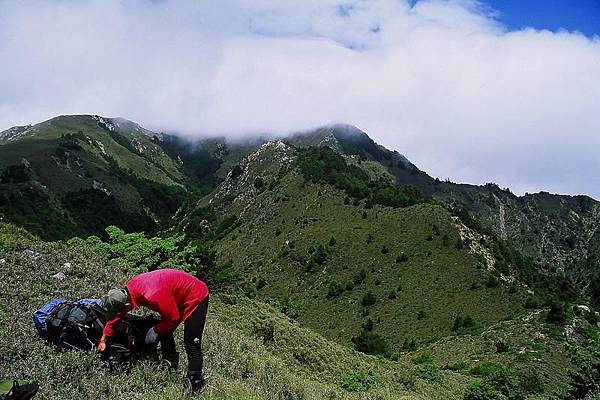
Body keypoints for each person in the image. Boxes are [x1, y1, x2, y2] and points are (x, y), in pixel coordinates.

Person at [97, 269, 209, 392]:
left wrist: (155, 331)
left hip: (196, 294)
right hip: (175, 294)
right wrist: (104, 338)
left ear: (127, 306)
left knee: (192, 344)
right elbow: (118, 315)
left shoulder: (152, 295)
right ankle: (170, 367)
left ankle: (193, 386)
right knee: (165, 328)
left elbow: (173, 318)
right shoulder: (128, 291)